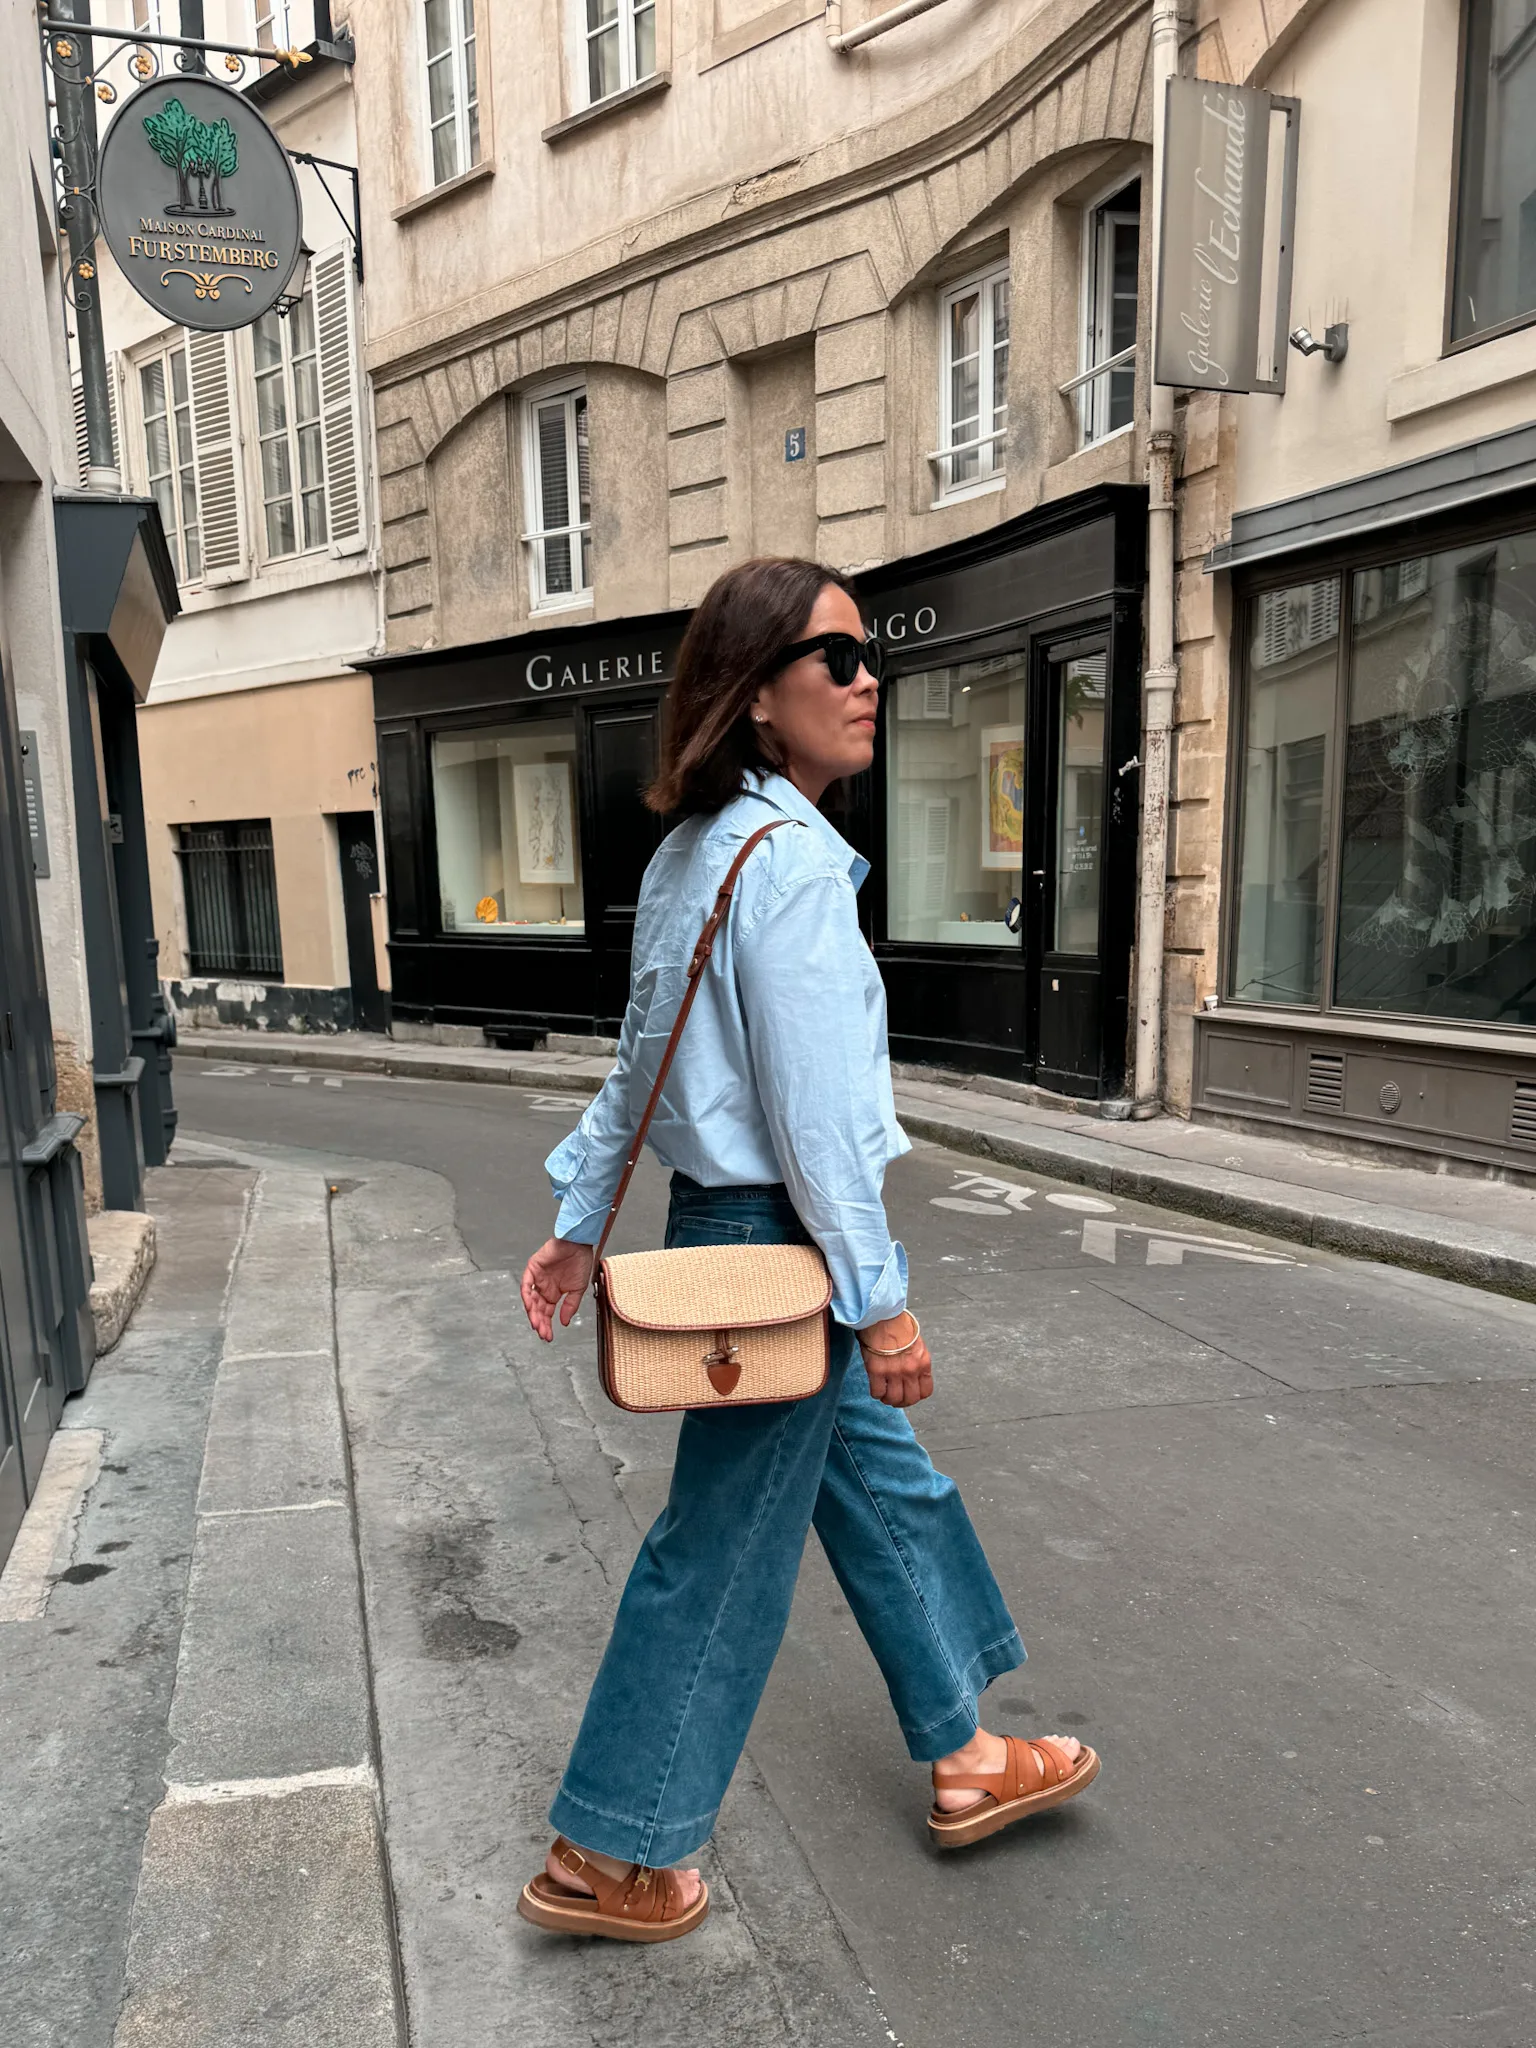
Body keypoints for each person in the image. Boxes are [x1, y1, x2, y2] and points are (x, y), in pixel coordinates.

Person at [517, 557, 1099, 1943]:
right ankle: (611, 1851)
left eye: (868, 654)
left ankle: (963, 1758)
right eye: (835, 658)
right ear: (759, 699)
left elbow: (635, 1070)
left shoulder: (695, 859)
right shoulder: (787, 875)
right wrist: (883, 1305)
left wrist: (582, 1223)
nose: (867, 679)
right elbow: (823, 1128)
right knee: (717, 1552)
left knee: (890, 1490)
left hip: (733, 1236)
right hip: (785, 1245)